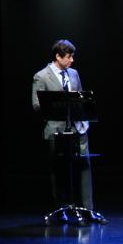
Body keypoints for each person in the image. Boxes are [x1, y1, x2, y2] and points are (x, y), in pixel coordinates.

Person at [31, 39, 97, 214]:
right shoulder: (41, 76)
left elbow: (82, 98)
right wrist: (58, 103)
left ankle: (87, 209)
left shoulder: (73, 74)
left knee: (84, 165)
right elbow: (37, 105)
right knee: (58, 169)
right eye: (69, 57)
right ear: (58, 57)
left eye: (72, 56)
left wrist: (83, 121)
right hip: (56, 130)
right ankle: (60, 209)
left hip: (77, 128)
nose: (72, 60)